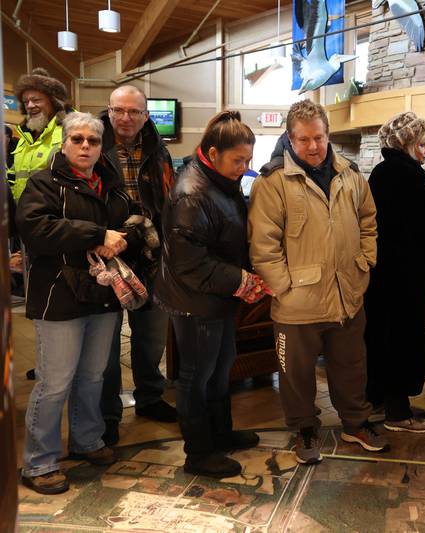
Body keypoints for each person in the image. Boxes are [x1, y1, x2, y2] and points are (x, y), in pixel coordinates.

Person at [248, 100, 388, 465]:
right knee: (296, 375)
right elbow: (263, 245)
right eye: (303, 139)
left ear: (329, 135)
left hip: (347, 294)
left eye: (320, 138)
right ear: (290, 140)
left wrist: (364, 263)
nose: (313, 147)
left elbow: (368, 222)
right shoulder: (272, 182)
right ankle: (303, 429)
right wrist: (284, 288)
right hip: (297, 302)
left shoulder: (351, 175)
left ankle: (355, 423)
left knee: (351, 365)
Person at [16, 112, 133, 494]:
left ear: (102, 147)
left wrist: (122, 236)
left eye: (93, 141)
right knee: (54, 383)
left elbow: (129, 220)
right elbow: (36, 230)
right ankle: (39, 462)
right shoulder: (43, 182)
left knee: (93, 376)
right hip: (58, 295)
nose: (85, 146)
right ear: (64, 143)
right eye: (78, 139)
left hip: (102, 294)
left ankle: (87, 440)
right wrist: (97, 234)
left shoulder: (110, 184)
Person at [156, 111, 268, 478]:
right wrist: (241, 278)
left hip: (216, 296)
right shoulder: (192, 192)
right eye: (239, 160)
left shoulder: (219, 180)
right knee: (195, 376)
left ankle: (221, 435)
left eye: (248, 160)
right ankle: (199, 453)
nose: (244, 167)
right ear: (214, 152)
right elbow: (189, 262)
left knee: (221, 370)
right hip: (195, 300)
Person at [99, 85, 177, 445]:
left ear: (146, 115)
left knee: (151, 336)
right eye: (119, 111)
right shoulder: (93, 145)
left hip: (150, 254)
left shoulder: (159, 150)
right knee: (106, 341)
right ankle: (109, 412)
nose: (126, 118)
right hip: (108, 254)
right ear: (109, 111)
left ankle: (150, 397)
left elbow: (168, 199)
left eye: (134, 112)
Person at [364, 112, 425, 433]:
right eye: (422, 144)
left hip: (381, 276)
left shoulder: (381, 173)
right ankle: (398, 413)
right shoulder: (408, 177)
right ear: (406, 144)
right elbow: (423, 230)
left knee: (382, 339)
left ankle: (379, 400)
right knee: (402, 342)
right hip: (404, 278)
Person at [10, 68, 68, 200]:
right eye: (25, 102)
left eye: (36, 100)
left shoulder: (69, 132)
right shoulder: (24, 138)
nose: (30, 105)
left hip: (53, 217)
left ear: (53, 102)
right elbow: (13, 179)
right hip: (22, 216)